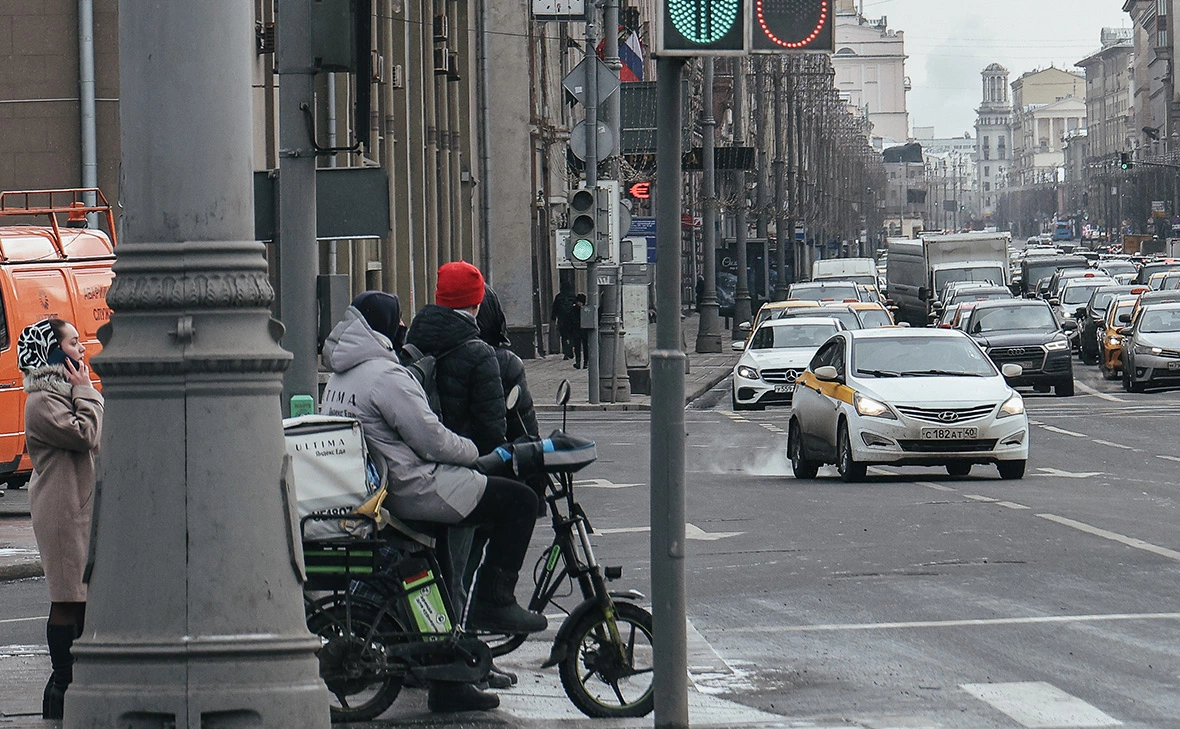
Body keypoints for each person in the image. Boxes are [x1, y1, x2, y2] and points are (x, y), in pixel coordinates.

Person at [321, 291, 546, 712]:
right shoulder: (384, 376)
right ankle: (494, 600)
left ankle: (449, 680)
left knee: (440, 579)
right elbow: (431, 438)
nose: (402, 327)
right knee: (517, 501)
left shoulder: (341, 378)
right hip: (416, 488)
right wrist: (475, 456)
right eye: (397, 319)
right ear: (381, 326)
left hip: (382, 490)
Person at [17, 318, 103, 720]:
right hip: (60, 509)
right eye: (73, 342)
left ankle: (72, 683)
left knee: (81, 598)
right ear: (54, 351)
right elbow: (87, 434)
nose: (82, 349)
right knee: (66, 598)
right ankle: (62, 685)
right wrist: (87, 392)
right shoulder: (43, 402)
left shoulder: (62, 395)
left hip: (77, 506)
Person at [406, 261, 506, 455]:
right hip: (464, 460)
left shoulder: (413, 341)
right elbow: (491, 428)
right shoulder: (480, 354)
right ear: (477, 304)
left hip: (422, 456)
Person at [551, 283, 577, 360]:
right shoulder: (573, 297)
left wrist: (553, 318)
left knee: (564, 337)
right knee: (572, 336)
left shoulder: (559, 297)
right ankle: (571, 348)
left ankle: (566, 352)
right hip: (571, 320)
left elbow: (555, 308)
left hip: (562, 320)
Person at [572, 293, 590, 369]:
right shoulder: (576, 309)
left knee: (585, 347)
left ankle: (585, 362)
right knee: (578, 347)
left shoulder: (584, 309)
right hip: (578, 330)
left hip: (583, 330)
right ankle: (578, 362)